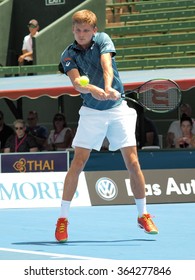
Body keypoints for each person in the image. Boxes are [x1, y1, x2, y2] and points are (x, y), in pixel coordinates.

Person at [55, 9, 158, 243]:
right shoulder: (68, 54)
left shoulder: (103, 40)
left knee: (133, 162)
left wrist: (109, 88)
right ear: (73, 30)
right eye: (78, 30)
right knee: (78, 162)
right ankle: (62, 219)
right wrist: (94, 90)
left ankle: (143, 215)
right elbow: (76, 83)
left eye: (86, 30)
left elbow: (106, 66)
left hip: (118, 109)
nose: (81, 34)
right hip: (91, 112)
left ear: (94, 30)